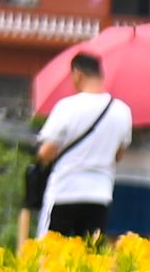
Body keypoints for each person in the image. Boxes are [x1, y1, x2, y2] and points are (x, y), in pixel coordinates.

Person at [32, 53, 132, 244]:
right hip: (99, 194)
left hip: (65, 190)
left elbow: (46, 152)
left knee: (51, 254)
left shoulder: (67, 107)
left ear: (77, 74)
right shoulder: (122, 111)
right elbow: (119, 155)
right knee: (90, 257)